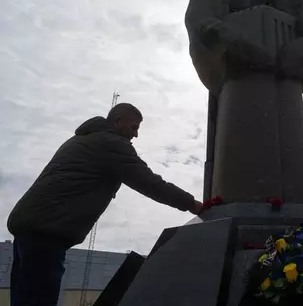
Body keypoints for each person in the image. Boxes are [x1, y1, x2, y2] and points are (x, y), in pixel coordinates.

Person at [7, 103, 204, 306]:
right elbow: (149, 183)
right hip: (46, 231)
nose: (136, 135)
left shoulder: (83, 139)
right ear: (118, 121)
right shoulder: (111, 143)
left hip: (30, 226)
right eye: (134, 127)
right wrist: (193, 205)